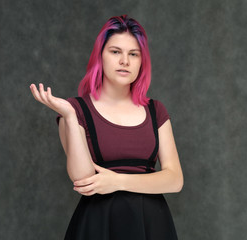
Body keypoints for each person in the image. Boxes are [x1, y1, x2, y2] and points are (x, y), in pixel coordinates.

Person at [30, 15, 183, 240]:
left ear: (142, 61)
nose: (125, 61)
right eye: (115, 52)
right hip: (98, 225)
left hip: (152, 225)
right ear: (100, 56)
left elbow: (175, 179)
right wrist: (71, 117)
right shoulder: (75, 110)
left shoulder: (155, 110)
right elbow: (83, 179)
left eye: (133, 54)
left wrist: (118, 181)